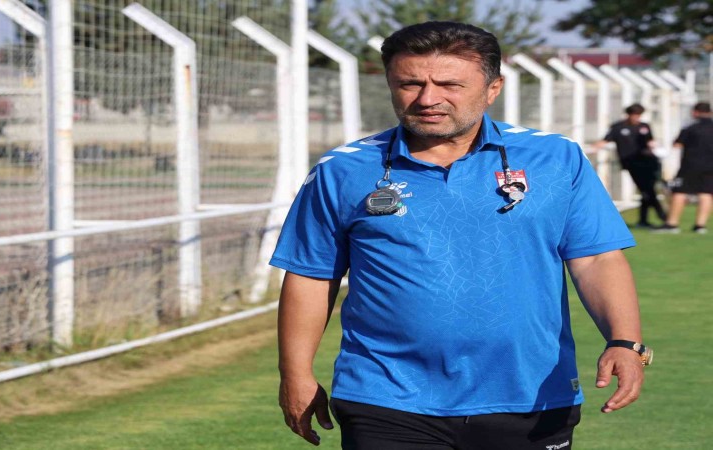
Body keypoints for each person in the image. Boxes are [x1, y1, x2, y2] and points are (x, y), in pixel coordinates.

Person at [271, 21, 650, 450]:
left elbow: (596, 258)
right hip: (386, 396)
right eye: (410, 84)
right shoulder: (342, 170)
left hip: (531, 394)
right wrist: (295, 374)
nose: (427, 99)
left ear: (492, 88)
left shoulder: (556, 158)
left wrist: (624, 341)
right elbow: (310, 274)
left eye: (449, 84)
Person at [595, 104, 667, 228]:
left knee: (647, 191)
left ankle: (644, 220)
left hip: (649, 162)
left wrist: (655, 149)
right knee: (647, 190)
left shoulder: (644, 126)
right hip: (632, 164)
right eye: (634, 115)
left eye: (638, 115)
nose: (636, 117)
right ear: (628, 114)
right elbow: (604, 141)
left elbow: (650, 142)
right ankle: (664, 217)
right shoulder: (618, 127)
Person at [653, 102, 713, 234]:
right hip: (710, 166)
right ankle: (700, 226)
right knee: (706, 193)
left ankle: (672, 224)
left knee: (680, 192)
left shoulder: (690, 127)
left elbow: (677, 144)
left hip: (690, 165)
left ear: (695, 112)